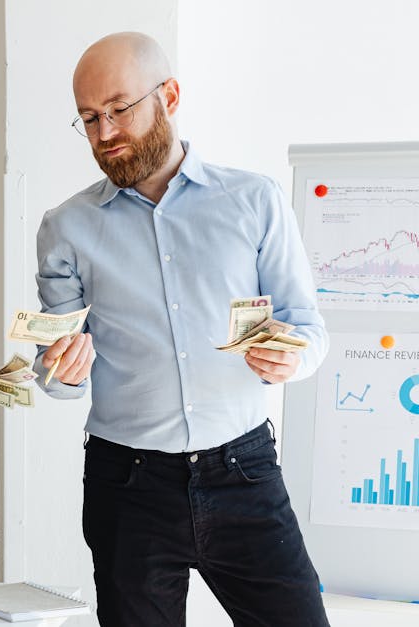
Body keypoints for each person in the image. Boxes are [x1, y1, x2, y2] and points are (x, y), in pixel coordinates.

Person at [35, 33, 331, 626]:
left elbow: (306, 326)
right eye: (89, 119)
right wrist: (59, 372)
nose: (105, 133)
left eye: (119, 109)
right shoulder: (65, 229)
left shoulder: (255, 201)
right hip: (128, 485)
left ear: (168, 95)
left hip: (243, 471)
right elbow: (57, 371)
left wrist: (292, 358)